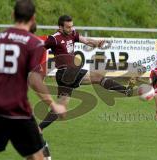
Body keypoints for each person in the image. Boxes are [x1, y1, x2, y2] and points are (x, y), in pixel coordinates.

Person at [0, 0, 66, 160]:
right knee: (36, 157)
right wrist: (53, 105)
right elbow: (34, 79)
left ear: (13, 15)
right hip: (17, 110)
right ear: (33, 18)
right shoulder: (34, 44)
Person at [39, 15, 132, 159]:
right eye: (68, 27)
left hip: (66, 76)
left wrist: (97, 43)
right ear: (60, 27)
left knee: (61, 108)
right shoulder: (54, 38)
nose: (71, 29)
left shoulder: (73, 34)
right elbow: (38, 48)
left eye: (72, 26)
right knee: (97, 77)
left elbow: (86, 41)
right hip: (65, 72)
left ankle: (39, 128)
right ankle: (126, 91)